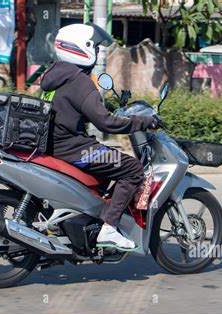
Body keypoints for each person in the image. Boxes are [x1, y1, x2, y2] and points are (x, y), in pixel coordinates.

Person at [40, 23, 158, 251]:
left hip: (53, 146)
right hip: (77, 151)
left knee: (105, 173)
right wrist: (143, 121)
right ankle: (109, 227)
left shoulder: (53, 75)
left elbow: (71, 110)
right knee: (132, 168)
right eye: (94, 46)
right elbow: (106, 123)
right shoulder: (80, 81)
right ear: (82, 48)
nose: (96, 50)